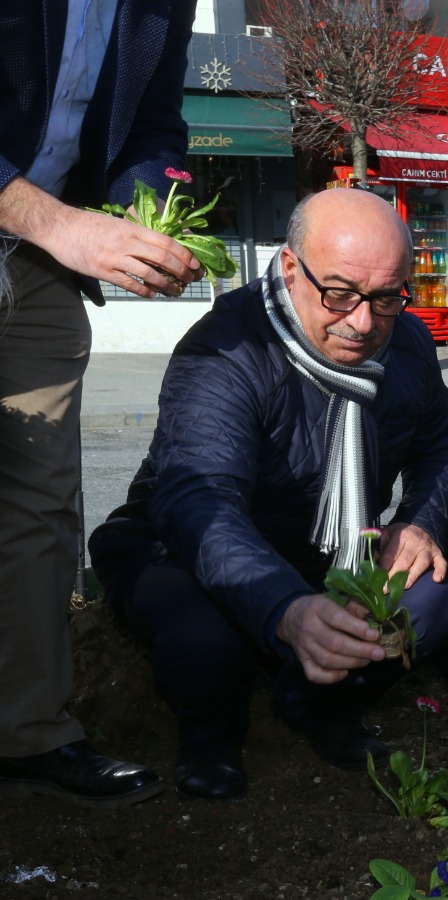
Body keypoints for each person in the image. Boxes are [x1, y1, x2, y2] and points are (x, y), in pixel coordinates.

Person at [87, 189, 448, 799]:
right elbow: (198, 502)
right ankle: (210, 737)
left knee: (433, 604)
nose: (363, 322)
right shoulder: (228, 348)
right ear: (291, 268)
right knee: (204, 634)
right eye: (339, 293)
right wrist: (287, 609)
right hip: (176, 548)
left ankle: (314, 702)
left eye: (387, 297)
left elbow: (445, 447)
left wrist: (420, 522)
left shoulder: (410, 344)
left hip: (330, 552)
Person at [0, 0, 205, 807]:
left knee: (38, 506)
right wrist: (62, 225)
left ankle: (26, 733)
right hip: (45, 227)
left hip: (39, 259)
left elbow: (153, 121)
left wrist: (148, 213)